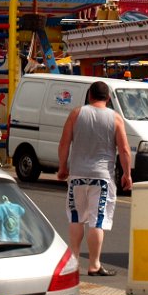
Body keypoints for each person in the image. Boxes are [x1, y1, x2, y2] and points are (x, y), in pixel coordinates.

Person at [57, 80, 132, 277]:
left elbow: (64, 142)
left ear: (89, 96)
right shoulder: (115, 118)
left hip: (77, 175)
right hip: (101, 177)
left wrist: (63, 167)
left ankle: (74, 262)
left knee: (76, 218)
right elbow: (124, 149)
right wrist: (127, 174)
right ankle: (94, 264)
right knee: (96, 221)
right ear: (108, 98)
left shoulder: (76, 114)